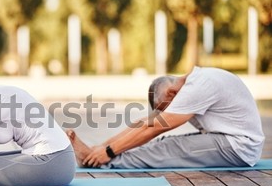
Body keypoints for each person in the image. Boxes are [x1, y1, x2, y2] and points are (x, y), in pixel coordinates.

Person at [68, 66, 265, 169]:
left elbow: (154, 128)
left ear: (170, 93)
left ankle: (102, 162)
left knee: (164, 147)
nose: (165, 113)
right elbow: (145, 123)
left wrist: (108, 153)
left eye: (165, 108)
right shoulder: (190, 84)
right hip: (228, 139)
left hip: (240, 146)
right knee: (161, 143)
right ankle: (95, 156)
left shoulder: (197, 87)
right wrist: (102, 146)